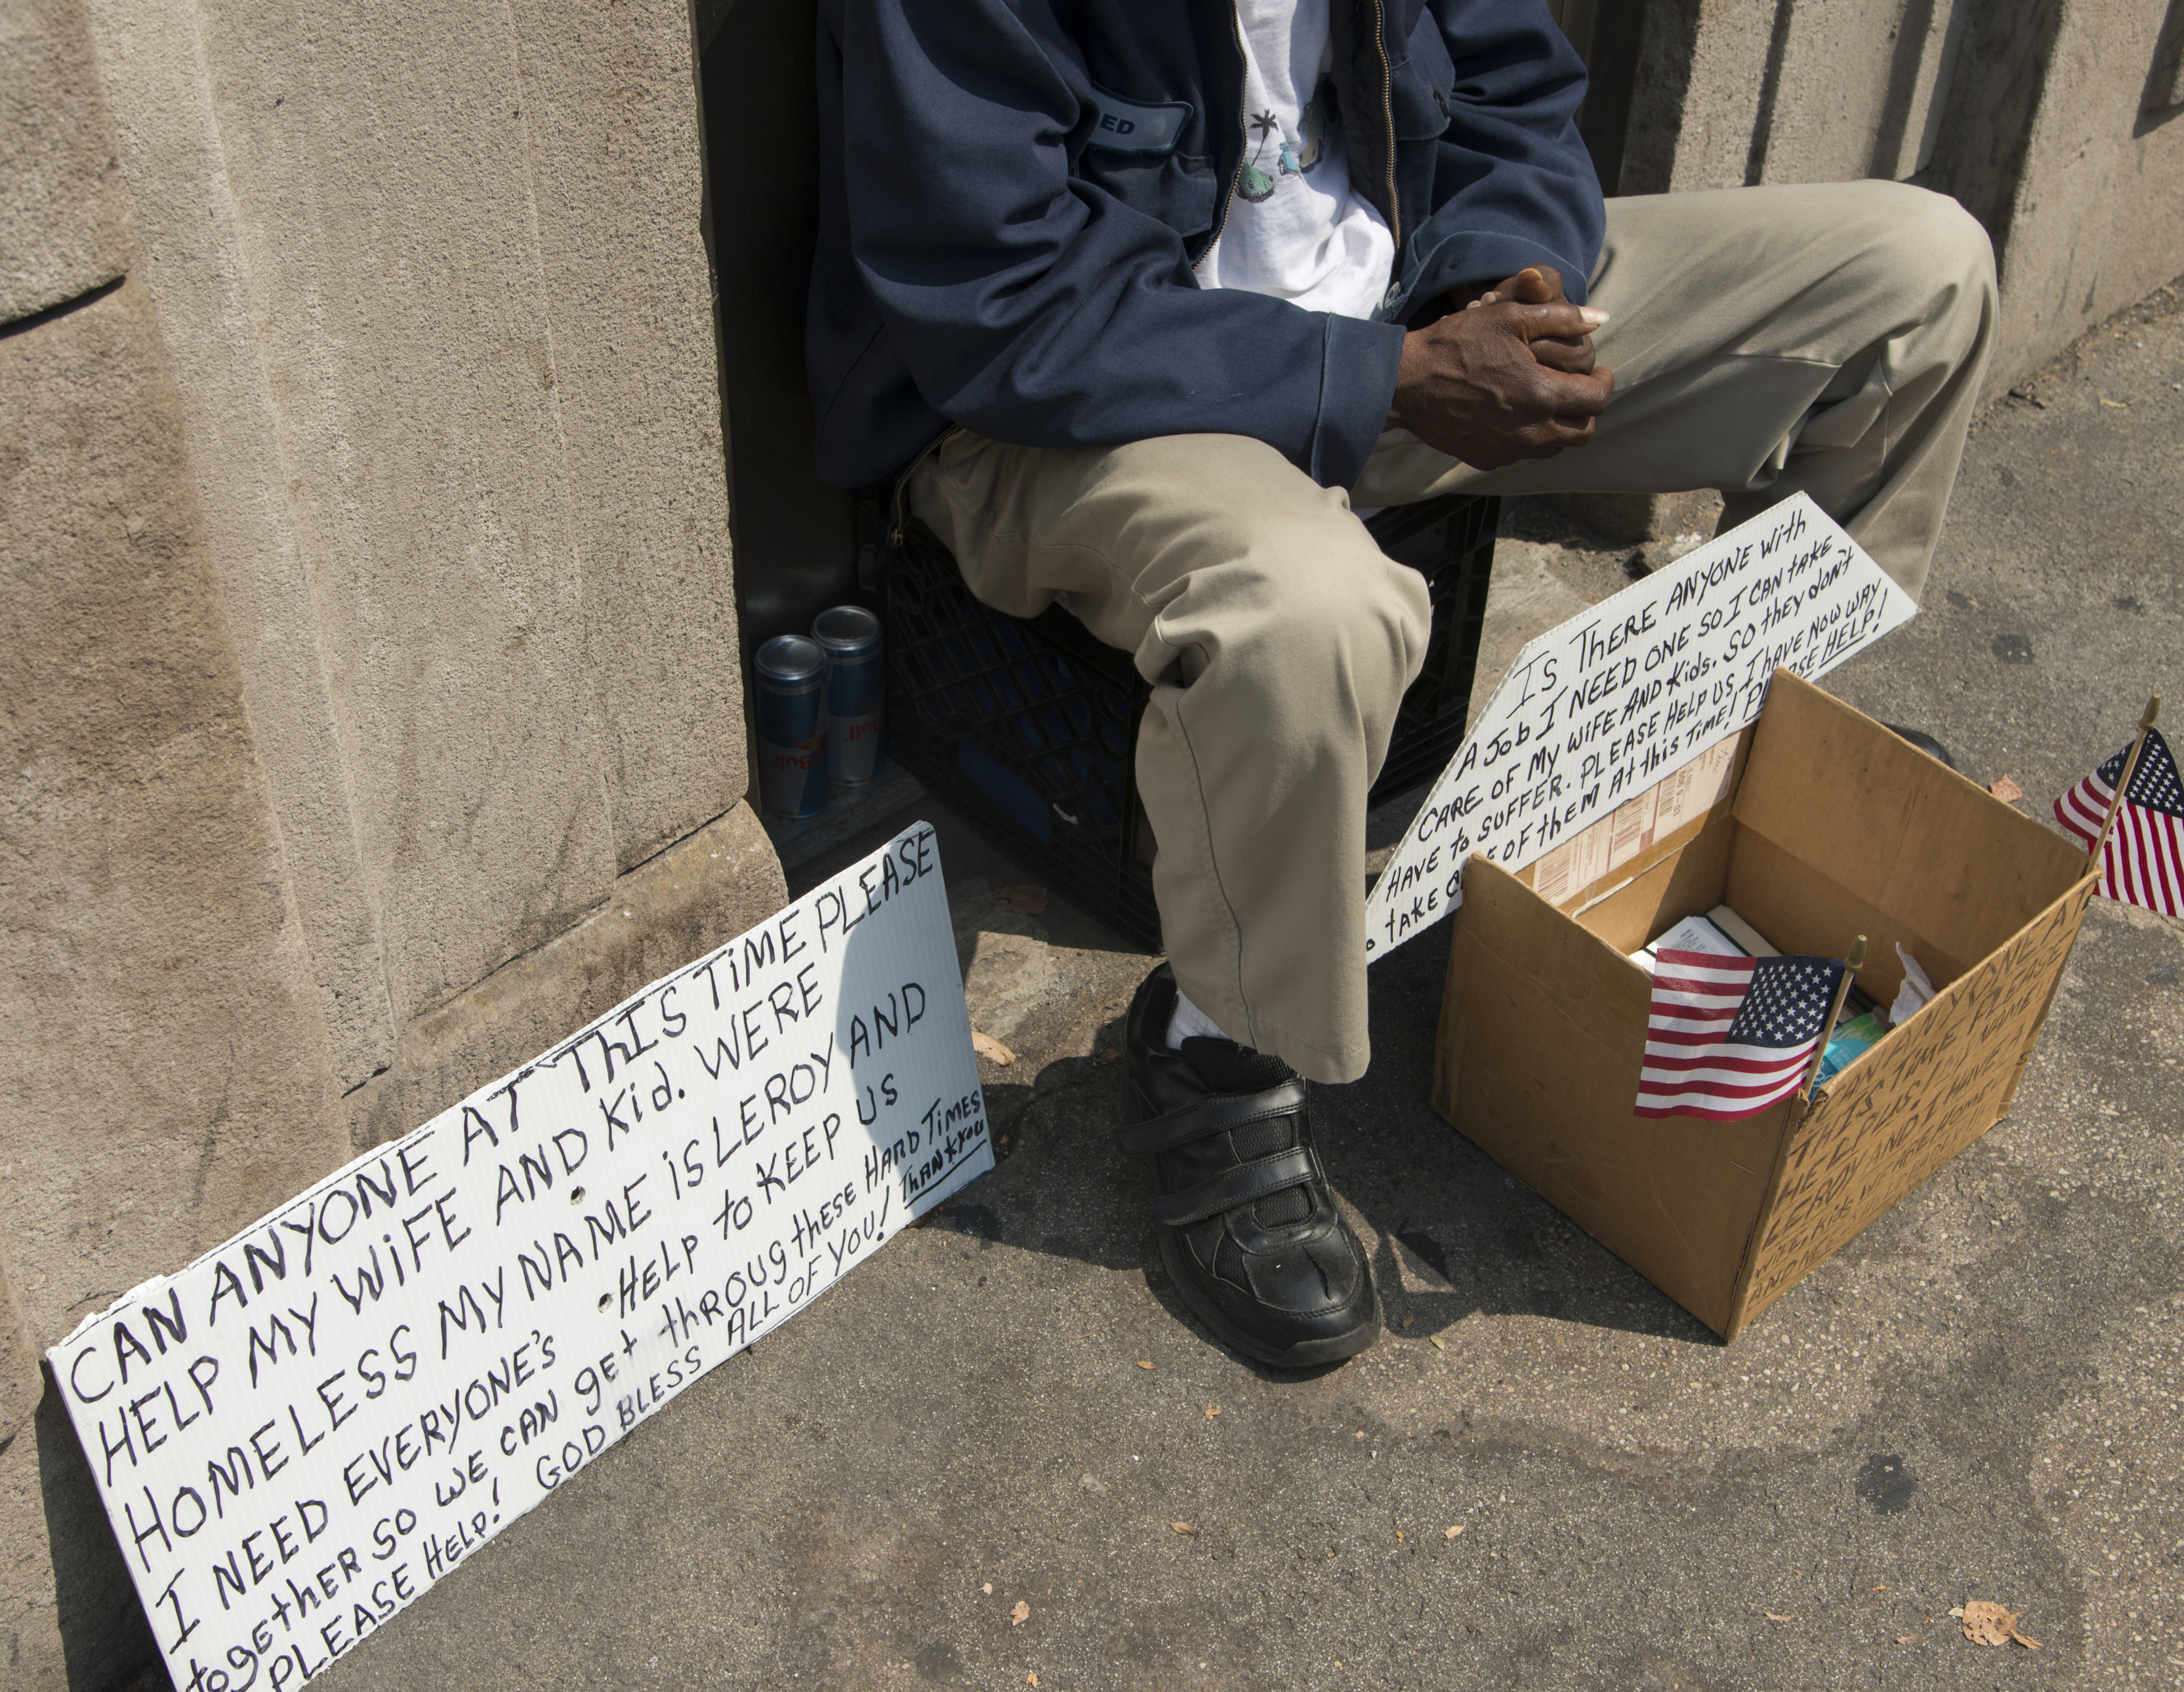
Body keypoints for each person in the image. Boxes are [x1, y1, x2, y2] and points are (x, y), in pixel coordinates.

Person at [807, 0, 1995, 1366]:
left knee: (1922, 277)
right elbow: (1003, 306)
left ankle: (1724, 800)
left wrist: (1499, 293)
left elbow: (1511, 89)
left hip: (1401, 317)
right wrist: (1387, 376)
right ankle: (1220, 1053)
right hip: (1072, 405)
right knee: (1309, 612)